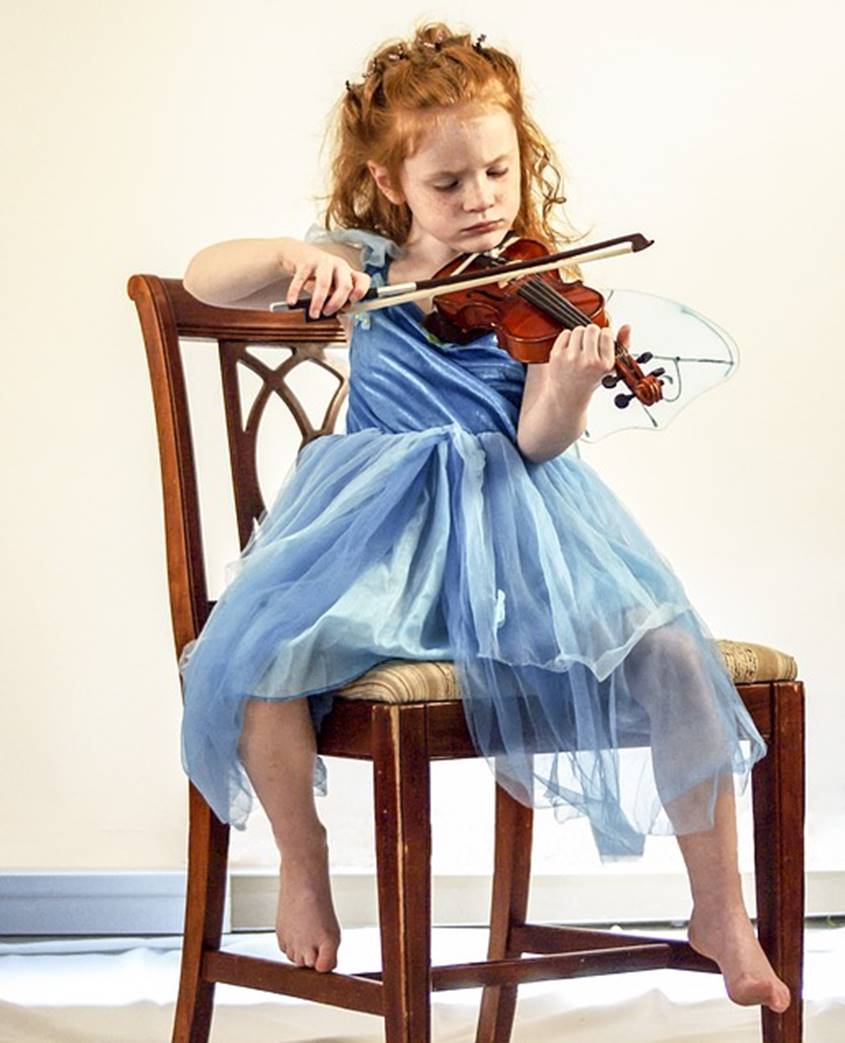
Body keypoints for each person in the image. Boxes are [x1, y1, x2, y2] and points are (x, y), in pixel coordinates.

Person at [179, 22, 790, 1012]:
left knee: (676, 657)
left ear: (520, 163)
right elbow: (207, 276)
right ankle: (301, 859)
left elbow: (536, 442)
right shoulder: (363, 266)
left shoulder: (542, 288)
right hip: (374, 540)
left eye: (495, 174)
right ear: (388, 183)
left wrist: (573, 382)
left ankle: (717, 906)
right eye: (448, 183)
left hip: (518, 536)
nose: (478, 202)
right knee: (260, 657)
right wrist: (296, 254)